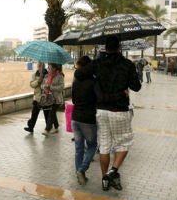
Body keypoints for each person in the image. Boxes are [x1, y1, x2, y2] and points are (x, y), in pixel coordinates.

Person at [75, 36, 141, 191]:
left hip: (102, 110)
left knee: (104, 145)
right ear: (119, 48)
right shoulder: (127, 64)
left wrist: (96, 79)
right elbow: (136, 87)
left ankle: (105, 179)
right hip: (120, 110)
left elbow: (79, 74)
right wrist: (125, 86)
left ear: (105, 48)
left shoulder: (97, 64)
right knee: (123, 143)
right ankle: (113, 171)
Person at [71, 56, 97, 185]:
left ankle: (79, 174)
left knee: (78, 148)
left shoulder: (76, 81)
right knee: (92, 145)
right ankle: (82, 169)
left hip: (75, 118)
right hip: (88, 118)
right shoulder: (93, 82)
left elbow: (74, 100)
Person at [24, 62, 49, 133]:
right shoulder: (35, 75)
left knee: (47, 114)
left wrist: (42, 82)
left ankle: (48, 128)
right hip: (37, 98)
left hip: (45, 98)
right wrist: (38, 81)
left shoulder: (48, 75)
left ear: (44, 66)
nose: (40, 67)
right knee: (34, 114)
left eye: (41, 66)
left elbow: (48, 84)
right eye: (39, 66)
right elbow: (31, 84)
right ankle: (30, 127)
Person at [41, 63, 64, 136]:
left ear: (54, 68)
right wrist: (45, 86)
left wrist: (50, 87)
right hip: (48, 98)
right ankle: (56, 127)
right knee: (53, 113)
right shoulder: (47, 76)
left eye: (49, 68)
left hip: (56, 99)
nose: (48, 69)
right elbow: (42, 85)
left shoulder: (60, 76)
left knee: (51, 113)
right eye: (48, 67)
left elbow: (61, 87)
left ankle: (47, 129)